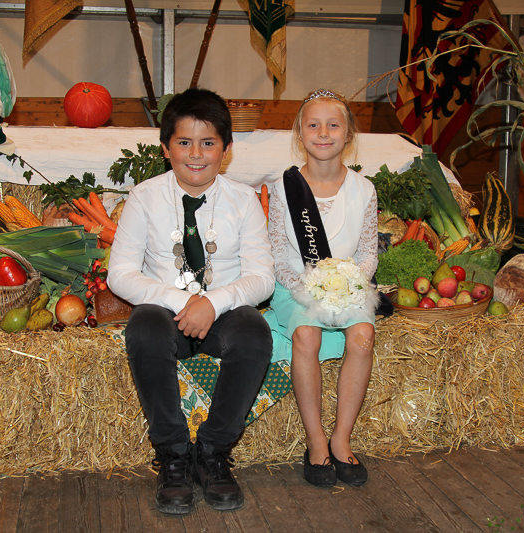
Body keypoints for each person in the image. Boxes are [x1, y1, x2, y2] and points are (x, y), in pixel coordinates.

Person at [106, 88, 274, 515]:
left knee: (254, 333)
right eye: (184, 142)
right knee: (144, 326)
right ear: (166, 148)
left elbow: (262, 277)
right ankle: (174, 454)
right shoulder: (144, 198)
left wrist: (212, 303)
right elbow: (120, 273)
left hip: (223, 312)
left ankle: (213, 452)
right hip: (167, 313)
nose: (196, 154)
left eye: (208, 143)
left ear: (226, 149)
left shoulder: (244, 201)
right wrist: (182, 300)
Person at [264, 89, 378, 488]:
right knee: (307, 335)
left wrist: (349, 282)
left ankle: (341, 438)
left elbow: (368, 252)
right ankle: (315, 441)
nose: (323, 133)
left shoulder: (364, 190)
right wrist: (307, 288)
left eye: (333, 125)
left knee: (362, 336)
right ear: (300, 133)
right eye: (313, 125)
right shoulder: (284, 189)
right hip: (296, 287)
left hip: (348, 287)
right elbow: (278, 253)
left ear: (348, 134)